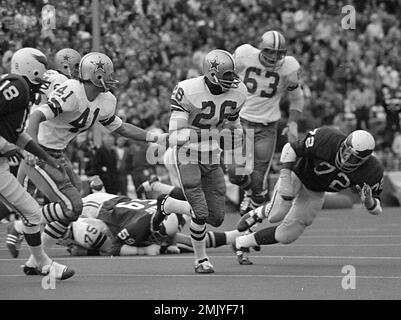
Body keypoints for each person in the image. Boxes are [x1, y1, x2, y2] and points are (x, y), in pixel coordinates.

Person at [15, 51, 166, 258]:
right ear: (97, 75)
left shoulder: (105, 100)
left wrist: (155, 138)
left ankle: (36, 258)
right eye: (109, 74)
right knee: (71, 205)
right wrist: (29, 148)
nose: (112, 79)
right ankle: (23, 229)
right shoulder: (71, 91)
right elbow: (36, 115)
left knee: (73, 206)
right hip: (39, 150)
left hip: (58, 152)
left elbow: (121, 128)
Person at [230, 127, 384, 264]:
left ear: (364, 160)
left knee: (287, 235)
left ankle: (242, 242)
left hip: (315, 192)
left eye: (353, 157)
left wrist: (369, 202)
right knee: (276, 214)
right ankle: (261, 211)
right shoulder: (327, 138)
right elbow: (290, 148)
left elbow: (377, 209)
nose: (346, 158)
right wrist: (284, 179)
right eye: (345, 151)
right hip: (297, 175)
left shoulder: (372, 170)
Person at [154, 49, 248, 273]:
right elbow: (175, 135)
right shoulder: (188, 90)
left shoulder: (239, 92)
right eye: (227, 75)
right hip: (187, 152)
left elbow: (233, 124)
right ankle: (201, 260)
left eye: (233, 75)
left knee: (216, 217)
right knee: (200, 211)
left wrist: (237, 133)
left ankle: (168, 204)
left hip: (212, 155)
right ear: (212, 74)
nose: (232, 80)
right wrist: (210, 135)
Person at [1, 47, 74, 279]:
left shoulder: (22, 92)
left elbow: (20, 134)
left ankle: (42, 264)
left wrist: (45, 157)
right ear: (31, 70)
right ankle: (44, 264)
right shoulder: (17, 85)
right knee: (31, 212)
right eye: (40, 75)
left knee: (30, 212)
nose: (42, 81)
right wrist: (6, 147)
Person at [228, 30, 304, 215]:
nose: (274, 56)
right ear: (260, 48)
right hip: (240, 122)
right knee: (234, 174)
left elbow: (297, 98)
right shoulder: (244, 54)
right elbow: (226, 79)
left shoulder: (290, 67)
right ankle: (249, 193)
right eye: (270, 51)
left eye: (279, 53)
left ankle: (252, 219)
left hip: (267, 126)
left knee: (258, 179)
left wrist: (292, 123)